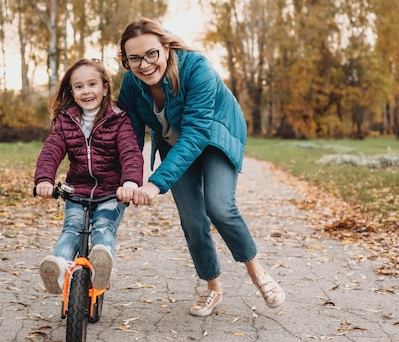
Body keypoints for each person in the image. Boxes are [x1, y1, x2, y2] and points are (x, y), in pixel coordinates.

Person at [117, 17, 286, 316]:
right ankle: (213, 288)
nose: (144, 64)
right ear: (126, 61)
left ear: (166, 48)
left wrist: (155, 183)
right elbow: (129, 138)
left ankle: (257, 272)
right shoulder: (131, 83)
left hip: (213, 135)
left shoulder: (197, 68)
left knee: (219, 207)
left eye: (151, 54)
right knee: (193, 219)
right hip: (173, 142)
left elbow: (195, 134)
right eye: (134, 59)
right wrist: (129, 179)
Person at [34, 58, 143, 293]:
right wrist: (44, 180)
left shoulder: (119, 119)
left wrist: (130, 183)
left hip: (111, 191)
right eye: (79, 86)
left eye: (92, 84)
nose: (86, 91)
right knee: (71, 228)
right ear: (72, 92)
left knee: (103, 226)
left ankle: (101, 267)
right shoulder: (66, 121)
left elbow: (130, 153)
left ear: (105, 88)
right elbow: (51, 151)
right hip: (77, 190)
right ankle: (60, 267)